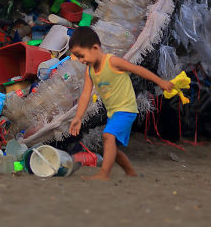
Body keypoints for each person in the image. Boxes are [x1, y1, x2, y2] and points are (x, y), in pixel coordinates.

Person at [68, 26, 174, 180]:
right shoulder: (90, 71)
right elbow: (85, 95)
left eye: (81, 55)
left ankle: (104, 174)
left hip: (126, 109)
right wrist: (78, 117)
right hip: (114, 113)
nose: (81, 60)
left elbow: (138, 70)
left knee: (108, 136)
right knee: (112, 148)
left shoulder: (112, 61)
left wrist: (161, 82)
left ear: (95, 48)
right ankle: (131, 172)